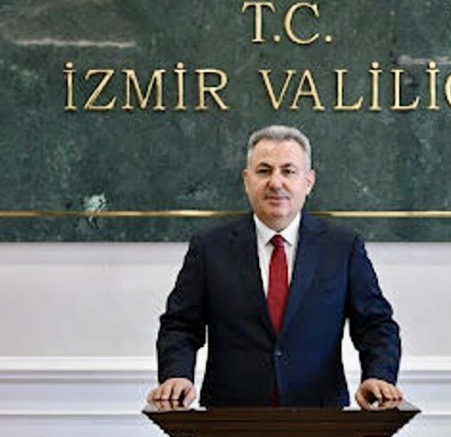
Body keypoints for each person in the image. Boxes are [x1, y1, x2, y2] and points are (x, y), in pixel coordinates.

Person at [147, 125, 402, 409]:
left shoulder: (342, 247)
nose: (276, 182)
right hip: (231, 416)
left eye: (288, 171)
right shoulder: (210, 246)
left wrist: (378, 375)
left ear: (308, 181)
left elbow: (376, 325)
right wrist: (177, 374)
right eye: (264, 171)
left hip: (319, 416)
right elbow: (180, 324)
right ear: (247, 180)